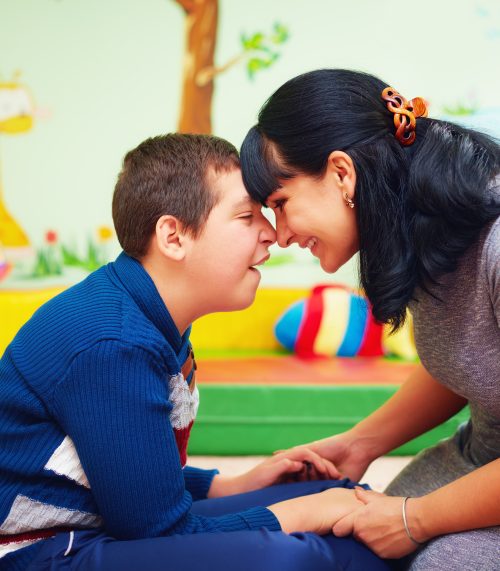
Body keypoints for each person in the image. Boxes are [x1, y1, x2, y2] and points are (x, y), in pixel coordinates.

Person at [0, 133, 390, 571]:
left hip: (96, 525)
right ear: (173, 237)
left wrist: (237, 484)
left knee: (332, 499)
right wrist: (302, 516)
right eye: (247, 216)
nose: (272, 234)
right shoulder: (113, 344)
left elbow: (130, 475)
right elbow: (159, 532)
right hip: (37, 550)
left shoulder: (149, 319)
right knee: (292, 553)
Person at [240, 69, 500, 571]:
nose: (282, 235)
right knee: (355, 545)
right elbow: (473, 356)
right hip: (480, 457)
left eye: (281, 204)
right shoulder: (420, 221)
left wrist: (415, 519)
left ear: (341, 173)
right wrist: (360, 443)